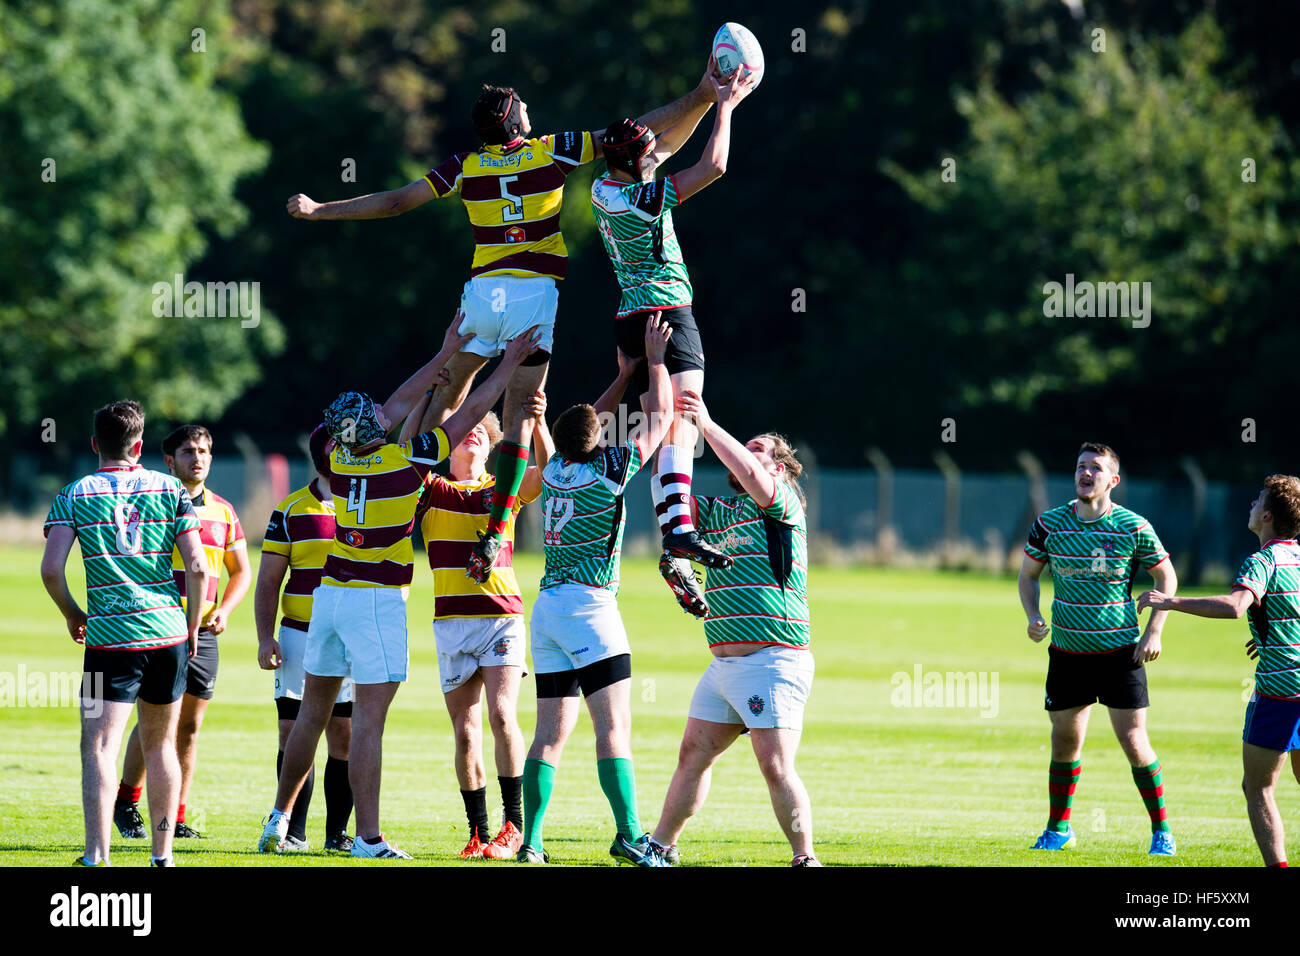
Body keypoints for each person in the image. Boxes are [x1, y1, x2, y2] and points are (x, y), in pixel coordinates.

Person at [287, 81, 711, 584]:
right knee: (517, 421)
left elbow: (398, 202)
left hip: (481, 298)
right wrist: (705, 94)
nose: (531, 107)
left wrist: (320, 210)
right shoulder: (551, 150)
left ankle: (396, 493)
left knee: (442, 396)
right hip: (533, 296)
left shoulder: (465, 165)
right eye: (523, 106)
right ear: (515, 123)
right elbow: (638, 132)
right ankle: (498, 525)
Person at [259, 313, 538, 859]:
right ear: (370, 430)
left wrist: (444, 353)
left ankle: (279, 820)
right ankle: (367, 839)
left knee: (311, 714)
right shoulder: (406, 463)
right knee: (368, 722)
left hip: (329, 595)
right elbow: (473, 412)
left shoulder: (339, 458)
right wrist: (506, 364)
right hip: (373, 600)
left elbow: (390, 408)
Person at [590, 58, 758, 614]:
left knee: (664, 428)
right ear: (638, 163)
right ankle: (678, 535)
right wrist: (726, 108)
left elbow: (662, 146)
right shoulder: (645, 199)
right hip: (667, 312)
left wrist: (705, 95)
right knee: (684, 417)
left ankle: (676, 542)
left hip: (630, 319)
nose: (656, 150)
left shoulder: (603, 190)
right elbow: (713, 165)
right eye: (649, 150)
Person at [516, 315, 674, 867]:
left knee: (550, 736)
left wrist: (623, 376)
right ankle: (630, 834)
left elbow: (586, 423)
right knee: (614, 729)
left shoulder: (555, 467)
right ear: (598, 440)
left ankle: (531, 843)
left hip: (549, 610)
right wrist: (654, 360)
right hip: (591, 608)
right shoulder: (609, 470)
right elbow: (663, 416)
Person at [645, 390, 819, 867]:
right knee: (692, 756)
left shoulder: (781, 506)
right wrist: (667, 418)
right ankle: (661, 845)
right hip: (723, 667)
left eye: (759, 447)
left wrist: (704, 422)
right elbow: (667, 489)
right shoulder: (720, 510)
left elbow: (750, 472)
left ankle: (805, 857)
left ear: (778, 468)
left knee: (775, 765)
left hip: (772, 659)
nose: (747, 451)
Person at [40, 400, 208, 867]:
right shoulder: (171, 488)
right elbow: (197, 565)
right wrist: (191, 623)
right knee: (160, 746)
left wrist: (74, 614)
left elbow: (52, 570)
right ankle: (162, 856)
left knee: (99, 747)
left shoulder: (74, 493)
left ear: (96, 444)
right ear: (138, 445)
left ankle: (97, 856)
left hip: (109, 642)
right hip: (167, 636)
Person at [398, 392, 552, 860]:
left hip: (501, 618)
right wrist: (438, 396)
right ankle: (478, 831)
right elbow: (405, 452)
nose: (474, 433)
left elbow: (546, 473)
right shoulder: (431, 489)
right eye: (467, 430)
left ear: (492, 448)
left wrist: (539, 421)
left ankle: (514, 827)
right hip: (450, 623)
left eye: (483, 432)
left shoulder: (500, 491)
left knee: (502, 715)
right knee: (465, 732)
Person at [1018, 442, 1178, 855]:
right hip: (1068, 654)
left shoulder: (1133, 526)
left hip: (1119, 655)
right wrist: (1033, 615)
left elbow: (1167, 580)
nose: (1085, 473)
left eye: (1095, 468)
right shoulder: (1049, 524)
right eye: (1080, 467)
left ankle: (1162, 832)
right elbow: (1028, 576)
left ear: (1113, 480)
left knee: (1134, 742)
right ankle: (1058, 830)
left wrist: (1154, 632)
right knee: (1064, 742)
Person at [1138, 475, 1300, 867]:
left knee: (1258, 787)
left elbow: (1235, 606)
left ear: (1266, 516)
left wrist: (1171, 601)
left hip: (1282, 692)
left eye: (1257, 499)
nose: (1250, 503)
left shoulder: (1264, 560)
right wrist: (1270, 638)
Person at [113, 425, 250, 840]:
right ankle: (126, 801)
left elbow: (241, 571)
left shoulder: (224, 511)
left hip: (204, 632)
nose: (199, 458)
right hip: (159, 628)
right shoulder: (150, 504)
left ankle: (176, 816)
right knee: (155, 720)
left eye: (205, 450)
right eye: (189, 451)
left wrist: (224, 609)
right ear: (169, 460)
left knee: (189, 726)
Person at [254, 424, 355, 852]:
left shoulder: (366, 504)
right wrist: (264, 638)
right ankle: (292, 831)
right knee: (292, 728)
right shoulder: (289, 509)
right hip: (297, 636)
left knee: (345, 734)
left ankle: (338, 835)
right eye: (338, 445)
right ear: (322, 453)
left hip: (352, 638)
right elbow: (268, 581)